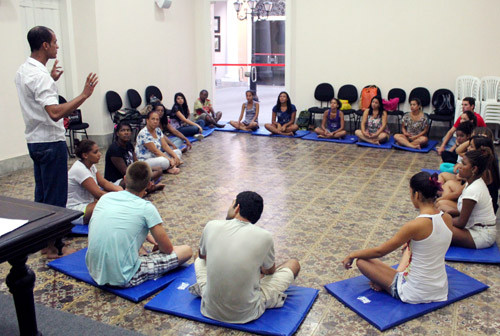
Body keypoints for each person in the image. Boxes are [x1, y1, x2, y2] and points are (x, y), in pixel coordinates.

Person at [15, 26, 98, 257]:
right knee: (55, 198)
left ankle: (43, 242)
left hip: (35, 142)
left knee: (42, 196)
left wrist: (51, 80)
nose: (57, 46)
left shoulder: (24, 71)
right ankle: (53, 246)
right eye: (54, 42)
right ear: (45, 45)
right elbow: (54, 112)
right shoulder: (39, 76)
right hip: (50, 142)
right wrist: (84, 95)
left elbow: (35, 99)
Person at [189, 191, 301, 323]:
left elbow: (203, 256)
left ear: (237, 208)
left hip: (209, 308)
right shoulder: (265, 236)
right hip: (245, 314)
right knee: (293, 264)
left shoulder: (211, 225)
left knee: (198, 255)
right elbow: (270, 271)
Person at [342, 172, 453, 304]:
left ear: (416, 195)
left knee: (361, 261)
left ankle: (385, 285)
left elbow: (380, 252)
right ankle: (395, 276)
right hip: (440, 289)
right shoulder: (447, 218)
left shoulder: (415, 225)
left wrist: (352, 254)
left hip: (414, 292)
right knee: (409, 247)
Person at [86, 161, 193, 287]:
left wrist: (149, 238)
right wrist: (159, 245)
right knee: (186, 251)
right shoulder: (146, 208)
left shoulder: (106, 198)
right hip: (122, 277)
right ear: (148, 184)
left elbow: (122, 225)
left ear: (125, 179)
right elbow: (167, 249)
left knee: (135, 244)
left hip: (94, 270)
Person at [438, 149, 497, 249]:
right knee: (440, 210)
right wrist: (448, 212)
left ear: (474, 169)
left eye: (464, 164)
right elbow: (467, 212)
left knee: (437, 228)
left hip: (482, 235)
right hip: (473, 227)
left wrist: (442, 220)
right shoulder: (471, 182)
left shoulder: (473, 189)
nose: (460, 166)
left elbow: (461, 223)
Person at [67, 140, 122, 225]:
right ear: (85, 155)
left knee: (114, 197)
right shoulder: (79, 169)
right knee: (108, 205)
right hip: (75, 210)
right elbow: (98, 193)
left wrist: (120, 191)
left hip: (88, 203)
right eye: (95, 152)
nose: (100, 154)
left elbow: (104, 183)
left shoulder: (91, 166)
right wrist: (121, 198)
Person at [104, 121, 165, 192]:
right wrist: (143, 177)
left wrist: (144, 172)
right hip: (119, 181)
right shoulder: (114, 149)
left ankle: (145, 187)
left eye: (128, 130)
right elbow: (125, 172)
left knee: (158, 170)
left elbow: (136, 163)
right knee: (130, 182)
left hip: (133, 175)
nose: (126, 133)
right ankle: (147, 188)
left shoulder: (129, 145)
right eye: (123, 130)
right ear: (117, 133)